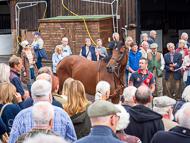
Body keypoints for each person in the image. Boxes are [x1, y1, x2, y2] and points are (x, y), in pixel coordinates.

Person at [8, 80, 77, 143]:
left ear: (32, 96)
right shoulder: (63, 114)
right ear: (50, 96)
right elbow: (73, 140)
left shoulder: (21, 116)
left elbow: (12, 141)